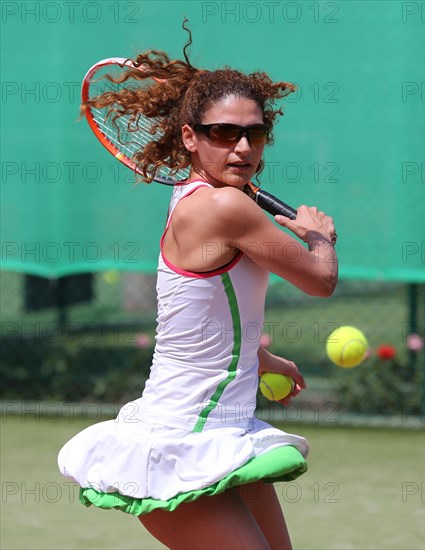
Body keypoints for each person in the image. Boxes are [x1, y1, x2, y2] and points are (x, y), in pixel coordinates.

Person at [58, 27, 338, 550]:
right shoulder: (225, 206)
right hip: (181, 442)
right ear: (190, 137)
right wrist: (321, 238)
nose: (242, 147)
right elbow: (320, 281)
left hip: (224, 435)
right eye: (224, 133)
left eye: (254, 134)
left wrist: (258, 358)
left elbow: (195, 312)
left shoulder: (199, 195)